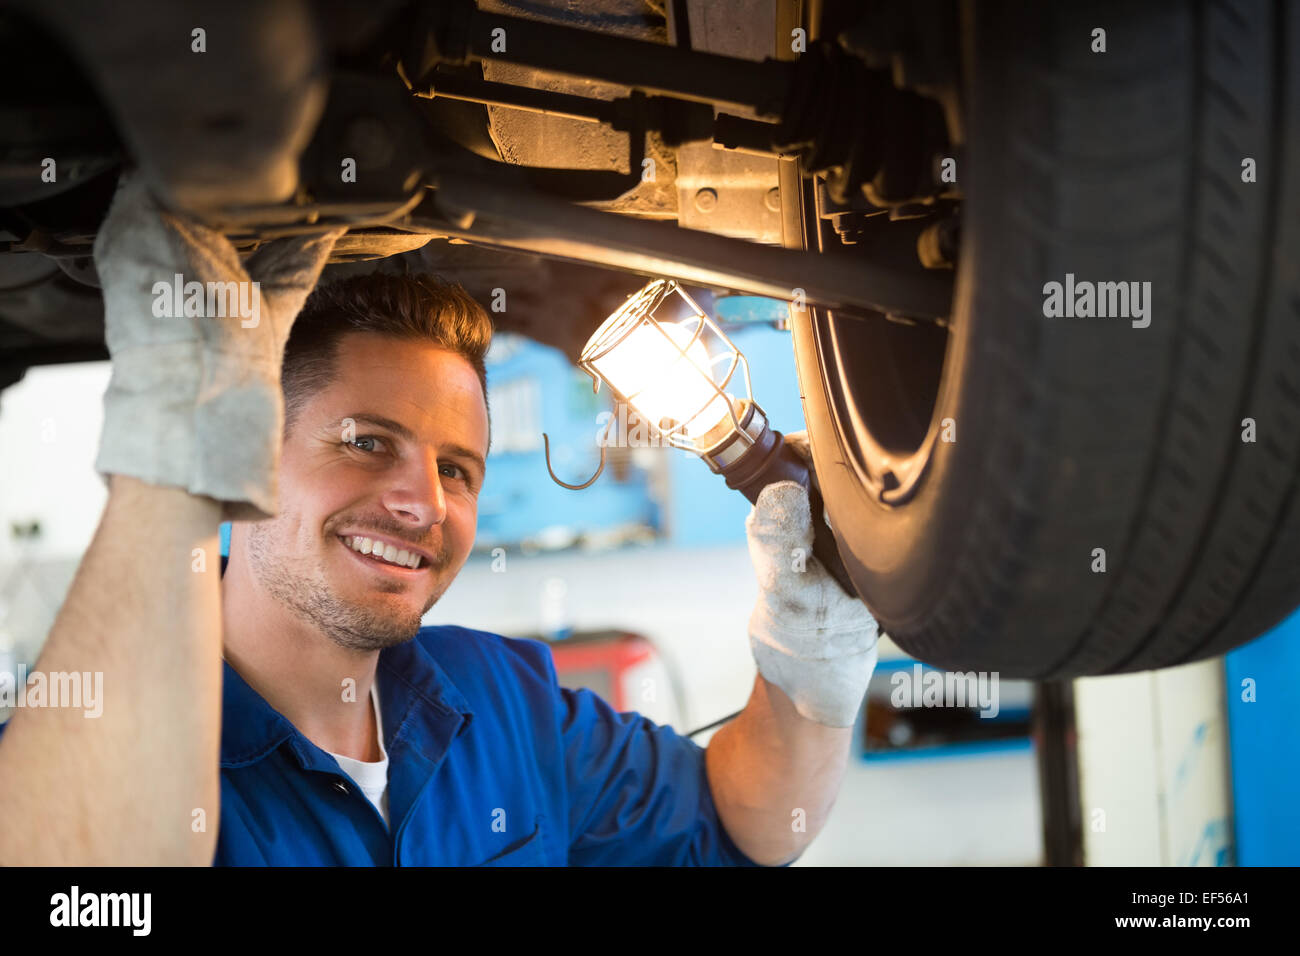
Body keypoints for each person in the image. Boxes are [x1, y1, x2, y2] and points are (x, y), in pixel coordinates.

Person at [0, 175, 880, 866]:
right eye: (367, 443)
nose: (424, 503)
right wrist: (169, 459)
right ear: (247, 446)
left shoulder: (499, 701)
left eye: (456, 469)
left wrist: (814, 657)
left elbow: (746, 824)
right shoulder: (96, 739)